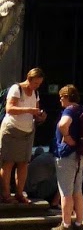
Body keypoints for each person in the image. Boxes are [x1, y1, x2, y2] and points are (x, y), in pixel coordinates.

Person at [53, 84, 83, 230]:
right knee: (78, 191)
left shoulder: (69, 110)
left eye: (61, 97)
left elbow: (63, 124)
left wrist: (67, 136)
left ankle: (66, 224)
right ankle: (79, 223)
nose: (60, 100)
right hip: (81, 155)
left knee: (65, 191)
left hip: (67, 154)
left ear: (66, 97)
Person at [1, 67, 45, 204]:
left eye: (39, 84)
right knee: (8, 162)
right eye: (35, 83)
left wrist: (40, 116)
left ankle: (20, 193)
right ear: (29, 79)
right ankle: (6, 194)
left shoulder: (36, 93)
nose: (37, 86)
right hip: (12, 129)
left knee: (23, 163)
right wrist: (29, 110)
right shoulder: (17, 89)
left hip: (27, 131)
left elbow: (35, 112)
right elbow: (9, 109)